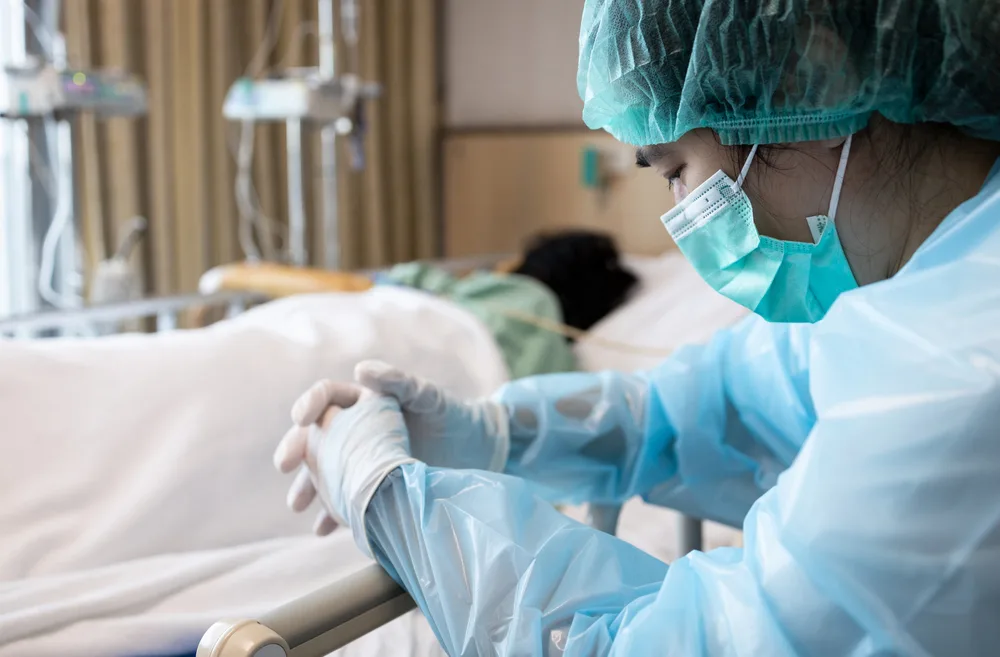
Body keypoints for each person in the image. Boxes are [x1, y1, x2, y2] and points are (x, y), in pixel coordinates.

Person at [273, 1, 1000, 654]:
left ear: (807, 78)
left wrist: (396, 501)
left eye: (674, 168)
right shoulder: (929, 279)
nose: (681, 209)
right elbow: (717, 401)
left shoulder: (955, 373)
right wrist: (500, 433)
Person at [202, 229, 638, 380]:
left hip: (416, 340)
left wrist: (246, 273)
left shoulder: (523, 295)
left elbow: (381, 285)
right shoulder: (562, 358)